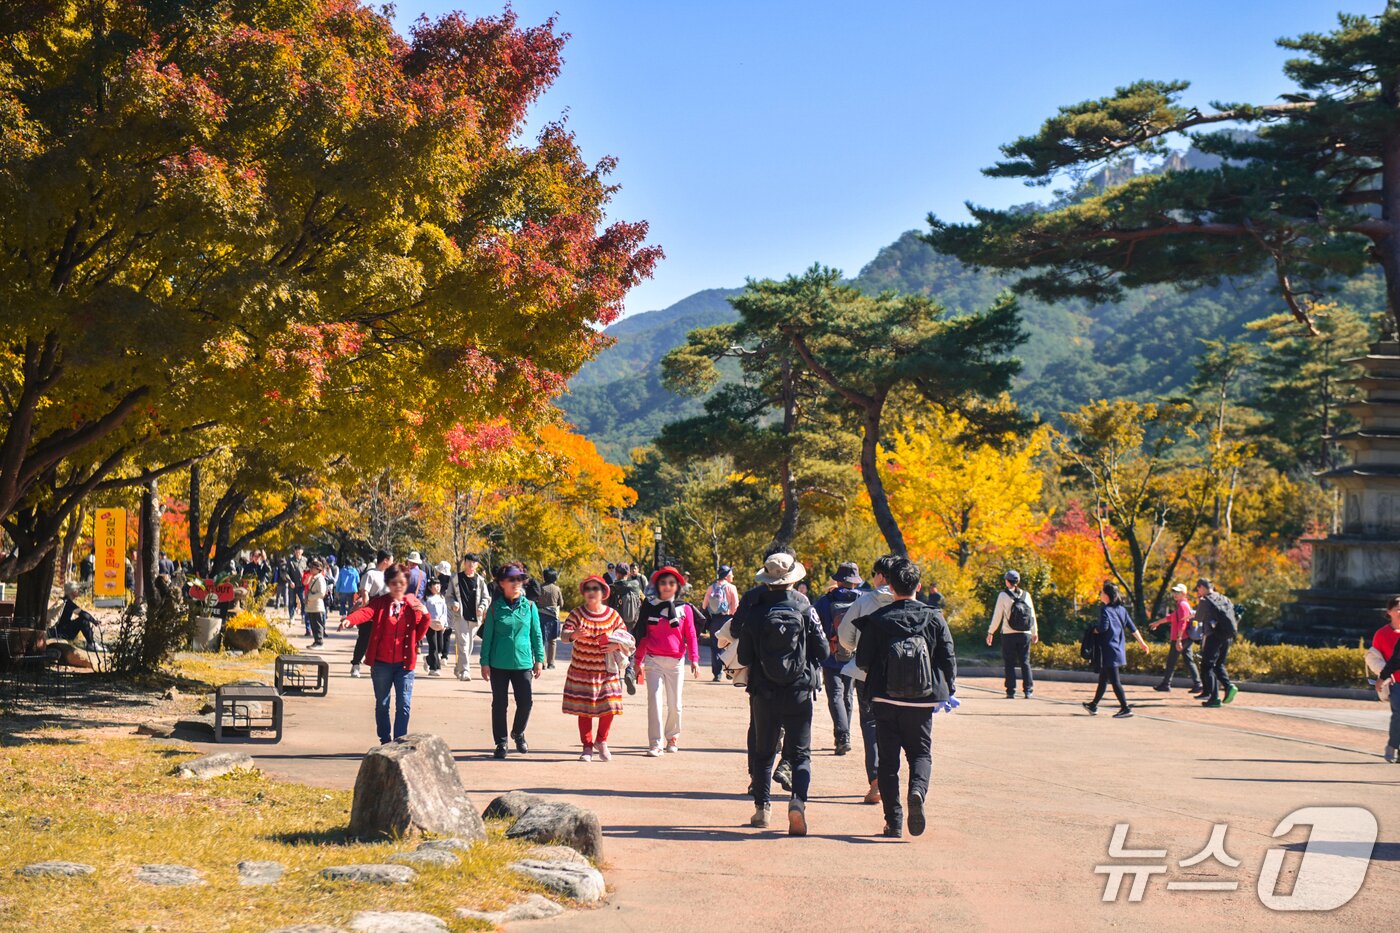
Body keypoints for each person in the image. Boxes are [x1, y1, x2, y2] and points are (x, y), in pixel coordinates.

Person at [855, 557, 957, 839]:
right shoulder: (934, 617)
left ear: (890, 585)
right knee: (920, 753)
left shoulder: (878, 620)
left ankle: (894, 821)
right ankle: (917, 791)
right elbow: (947, 657)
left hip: (885, 699)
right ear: (919, 586)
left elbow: (863, 661)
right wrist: (948, 688)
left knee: (888, 762)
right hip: (922, 699)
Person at [737, 552, 828, 836]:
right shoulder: (805, 609)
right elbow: (823, 651)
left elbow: (743, 655)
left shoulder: (756, 611)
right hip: (799, 690)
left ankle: (762, 809)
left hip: (764, 691)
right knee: (801, 754)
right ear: (792, 579)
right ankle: (797, 802)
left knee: (764, 752)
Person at [340, 563, 432, 745]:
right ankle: (385, 741)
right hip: (381, 664)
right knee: (382, 705)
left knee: (403, 705)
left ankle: (398, 742)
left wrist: (426, 615)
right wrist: (349, 620)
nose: (398, 586)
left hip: (404, 665)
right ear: (388, 584)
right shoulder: (381, 603)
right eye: (394, 582)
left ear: (407, 584)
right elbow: (366, 612)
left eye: (402, 582)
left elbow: (419, 635)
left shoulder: (413, 604)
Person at [837, 555, 898, 805]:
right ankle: (894, 779)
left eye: (874, 574)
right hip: (901, 676)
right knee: (897, 727)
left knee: (871, 725)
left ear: (881, 576)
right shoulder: (910, 601)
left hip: (867, 674)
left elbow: (845, 637)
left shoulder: (864, 601)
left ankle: (876, 782)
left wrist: (856, 648)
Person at [478, 562, 545, 758]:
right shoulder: (494, 609)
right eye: (511, 580)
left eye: (519, 579)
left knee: (525, 702)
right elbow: (488, 637)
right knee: (499, 704)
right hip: (499, 663)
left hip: (523, 662)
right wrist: (484, 662)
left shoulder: (530, 606)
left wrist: (539, 659)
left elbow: (536, 634)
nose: (516, 583)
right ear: (501, 583)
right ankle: (501, 742)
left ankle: (518, 732)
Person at [562, 576, 630, 762]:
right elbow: (564, 635)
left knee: (609, 707)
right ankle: (587, 747)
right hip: (582, 671)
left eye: (595, 588)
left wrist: (616, 645)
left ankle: (602, 741)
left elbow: (625, 636)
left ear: (602, 593)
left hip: (607, 670)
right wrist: (574, 634)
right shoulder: (577, 614)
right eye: (588, 589)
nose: (591, 592)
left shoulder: (612, 615)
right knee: (585, 710)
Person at [635, 566, 701, 756]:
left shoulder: (685, 608)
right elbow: (643, 635)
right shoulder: (649, 606)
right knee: (654, 702)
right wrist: (637, 661)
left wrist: (694, 659)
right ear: (657, 585)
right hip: (653, 661)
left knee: (675, 704)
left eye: (671, 583)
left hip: (676, 662)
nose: (667, 586)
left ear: (677, 586)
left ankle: (672, 737)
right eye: (663, 583)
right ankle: (655, 743)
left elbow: (691, 635)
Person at [814, 562, 863, 756]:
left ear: (838, 580)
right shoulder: (862, 600)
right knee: (848, 696)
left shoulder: (826, 601)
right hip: (854, 656)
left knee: (835, 696)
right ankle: (845, 735)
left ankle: (842, 736)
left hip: (831, 655)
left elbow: (815, 624)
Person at [1082, 581, 1150, 718]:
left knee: (1115, 681)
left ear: (1107, 596)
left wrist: (1094, 630)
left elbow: (1103, 628)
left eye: (1102, 592)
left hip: (1108, 650)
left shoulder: (1105, 610)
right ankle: (1093, 705)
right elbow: (1132, 628)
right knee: (1103, 678)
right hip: (1118, 649)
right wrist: (1142, 643)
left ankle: (1125, 708)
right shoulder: (1122, 610)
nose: (1100, 594)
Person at [985, 569, 1038, 699]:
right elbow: (1031, 615)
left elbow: (997, 615)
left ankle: (1011, 690)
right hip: (1024, 633)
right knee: (1025, 661)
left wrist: (991, 632)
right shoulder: (1026, 595)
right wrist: (1034, 632)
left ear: (1008, 581)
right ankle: (1028, 690)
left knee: (1009, 662)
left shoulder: (1003, 595)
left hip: (1008, 633)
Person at [1194, 578, 1238, 708]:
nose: (1198, 591)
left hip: (1214, 636)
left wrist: (1191, 616)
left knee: (1207, 666)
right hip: (1227, 635)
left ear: (1202, 587)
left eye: (1198, 589)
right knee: (1219, 664)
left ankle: (1214, 698)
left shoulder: (1205, 601)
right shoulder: (1224, 598)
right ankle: (1228, 686)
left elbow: (1198, 618)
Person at [1150, 583, 1202, 693]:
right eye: (1174, 592)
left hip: (1180, 637)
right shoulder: (1181, 604)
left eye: (1178, 592)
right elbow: (1171, 617)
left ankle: (1166, 684)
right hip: (1184, 637)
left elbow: (1183, 622)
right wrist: (1158, 623)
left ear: (1184, 594)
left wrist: (1178, 639)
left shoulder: (1183, 605)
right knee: (1188, 660)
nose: (1175, 594)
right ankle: (1197, 684)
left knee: (1171, 661)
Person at [352, 550, 393, 678]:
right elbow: (365, 592)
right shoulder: (370, 574)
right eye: (391, 560)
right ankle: (356, 664)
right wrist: (365, 610)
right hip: (370, 611)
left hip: (384, 613)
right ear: (385, 560)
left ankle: (376, 667)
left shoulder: (388, 575)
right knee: (364, 638)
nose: (393, 562)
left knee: (379, 640)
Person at [451, 553, 490, 681]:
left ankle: (459, 667)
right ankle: (465, 671)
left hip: (475, 618)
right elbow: (449, 596)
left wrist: (482, 607)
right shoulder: (456, 578)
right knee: (463, 642)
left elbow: (486, 597)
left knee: (469, 644)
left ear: (477, 565)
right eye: (469, 562)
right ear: (465, 562)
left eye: (474, 563)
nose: (471, 565)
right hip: (460, 615)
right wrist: (453, 604)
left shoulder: (480, 580)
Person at [608, 563, 644, 693]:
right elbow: (643, 601)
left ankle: (617, 680)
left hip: (615, 624)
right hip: (632, 624)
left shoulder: (612, 588)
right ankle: (629, 673)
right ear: (628, 573)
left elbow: (606, 605)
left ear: (616, 573)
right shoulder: (636, 587)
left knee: (614, 650)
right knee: (630, 649)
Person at [1373, 596, 1400, 763]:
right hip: (1396, 683)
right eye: (1398, 608)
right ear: (1389, 612)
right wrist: (1382, 677)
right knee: (1399, 713)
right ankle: (1392, 745)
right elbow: (1377, 658)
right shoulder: (1382, 634)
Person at [703, 566, 740, 682]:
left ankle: (717, 674)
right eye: (731, 573)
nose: (733, 576)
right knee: (730, 646)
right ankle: (729, 671)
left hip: (714, 621)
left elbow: (704, 606)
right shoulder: (731, 588)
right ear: (727, 575)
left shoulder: (712, 587)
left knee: (715, 647)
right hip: (728, 620)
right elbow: (735, 607)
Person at [422, 576, 450, 676]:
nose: (437, 587)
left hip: (440, 624)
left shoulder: (442, 598)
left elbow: (444, 611)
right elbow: (424, 612)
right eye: (435, 584)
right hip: (430, 625)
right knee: (433, 646)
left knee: (440, 646)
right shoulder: (426, 599)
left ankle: (428, 658)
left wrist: (445, 624)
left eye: (438, 584)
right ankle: (435, 668)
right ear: (430, 587)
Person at [537, 568, 564, 669]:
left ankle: (542, 662)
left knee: (541, 639)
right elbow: (561, 603)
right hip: (553, 617)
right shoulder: (556, 589)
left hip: (541, 616)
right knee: (552, 640)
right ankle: (551, 663)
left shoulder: (540, 587)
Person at [303, 558, 329, 647]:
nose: (310, 569)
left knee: (318, 625)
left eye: (312, 568)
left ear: (318, 569)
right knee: (313, 624)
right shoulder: (313, 577)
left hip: (317, 605)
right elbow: (304, 583)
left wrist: (310, 597)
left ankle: (319, 642)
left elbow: (322, 593)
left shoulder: (320, 579)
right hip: (312, 606)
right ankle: (316, 641)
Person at [284, 547, 308, 622]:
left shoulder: (305, 560)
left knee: (303, 600)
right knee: (292, 601)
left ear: (302, 551)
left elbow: (308, 571)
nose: (298, 552)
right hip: (293, 584)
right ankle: (292, 616)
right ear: (294, 551)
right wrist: (290, 581)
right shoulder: (290, 560)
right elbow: (286, 573)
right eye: (296, 550)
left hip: (302, 584)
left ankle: (303, 616)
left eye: (299, 550)